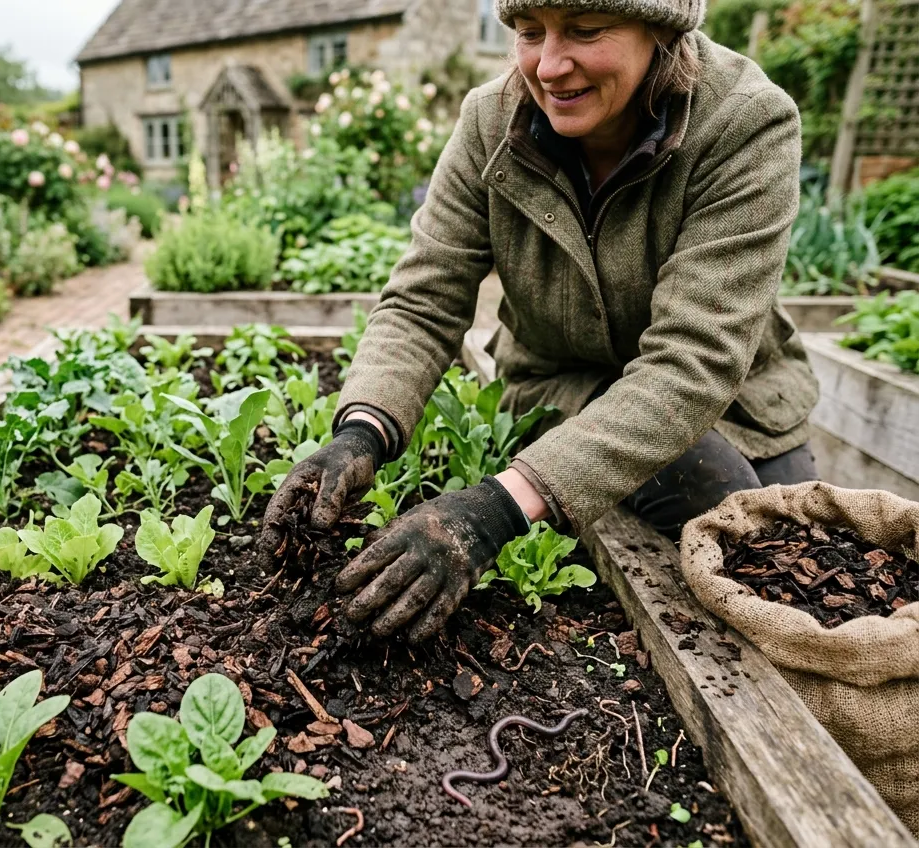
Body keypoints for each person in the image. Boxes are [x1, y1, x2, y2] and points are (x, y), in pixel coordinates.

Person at [256, 0, 820, 644]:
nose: (549, 65)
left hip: (735, 397)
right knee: (705, 492)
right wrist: (362, 430)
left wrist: (495, 509)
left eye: (584, 31)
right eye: (529, 33)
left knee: (775, 551)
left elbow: (694, 359)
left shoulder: (745, 121)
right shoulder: (490, 122)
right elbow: (424, 298)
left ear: (662, 31)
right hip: (560, 379)